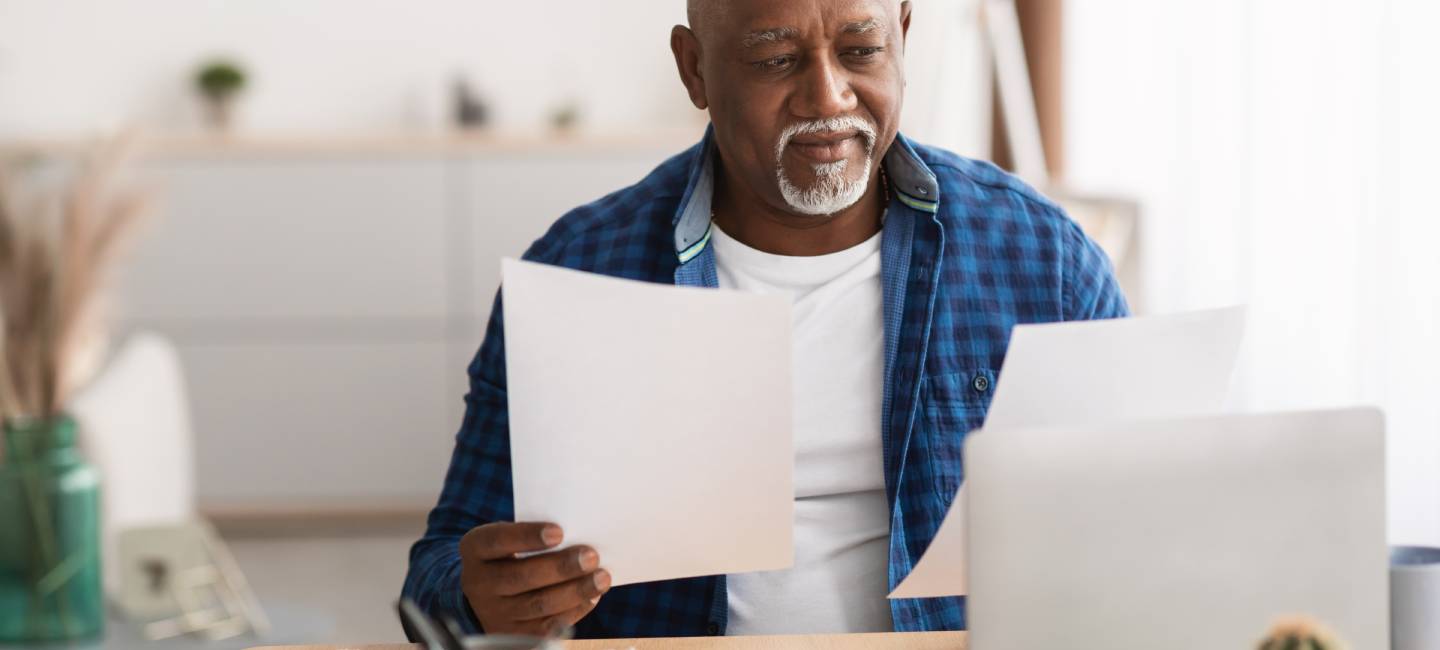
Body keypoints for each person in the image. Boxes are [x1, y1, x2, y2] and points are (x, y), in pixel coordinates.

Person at [403, 0, 1127, 639]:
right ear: (695, 70)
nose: (827, 96)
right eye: (774, 58)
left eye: (862, 50)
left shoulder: (1041, 256)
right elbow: (434, 581)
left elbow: (1141, 511)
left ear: (904, 35)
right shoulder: (577, 270)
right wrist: (481, 595)